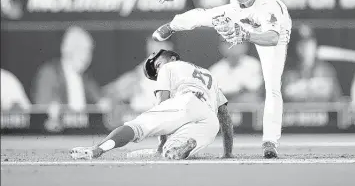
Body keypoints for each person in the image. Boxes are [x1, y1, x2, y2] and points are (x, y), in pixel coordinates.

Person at [152, 0, 292, 158]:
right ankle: (171, 26)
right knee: (205, 15)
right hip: (241, 17)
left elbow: (273, 38)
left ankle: (270, 142)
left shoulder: (268, 7)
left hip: (272, 32)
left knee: (273, 86)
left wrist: (245, 35)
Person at [70, 49, 234, 160]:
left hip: (186, 100)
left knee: (137, 126)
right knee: (171, 151)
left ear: (172, 58)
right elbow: (225, 117)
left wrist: (159, 143)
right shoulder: (208, 75)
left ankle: (98, 149)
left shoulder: (169, 67)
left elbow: (162, 103)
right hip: (210, 121)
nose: (158, 70)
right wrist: (228, 153)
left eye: (157, 65)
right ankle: (181, 146)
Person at [32, 26, 110, 131]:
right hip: (56, 135)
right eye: (81, 50)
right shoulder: (49, 73)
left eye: (89, 51)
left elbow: (101, 101)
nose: (86, 57)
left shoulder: (86, 78)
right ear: (67, 50)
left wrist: (105, 105)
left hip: (85, 133)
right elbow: (43, 108)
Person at [103, 37, 174, 113]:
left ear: (169, 47)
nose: (153, 47)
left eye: (158, 44)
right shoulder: (142, 70)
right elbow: (119, 87)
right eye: (151, 44)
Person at [282, 24, 342, 102]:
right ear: (297, 47)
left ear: (315, 44)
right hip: (297, 113)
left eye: (310, 42)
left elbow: (338, 101)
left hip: (320, 113)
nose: (306, 47)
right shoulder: (288, 74)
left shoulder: (327, 71)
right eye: (302, 43)